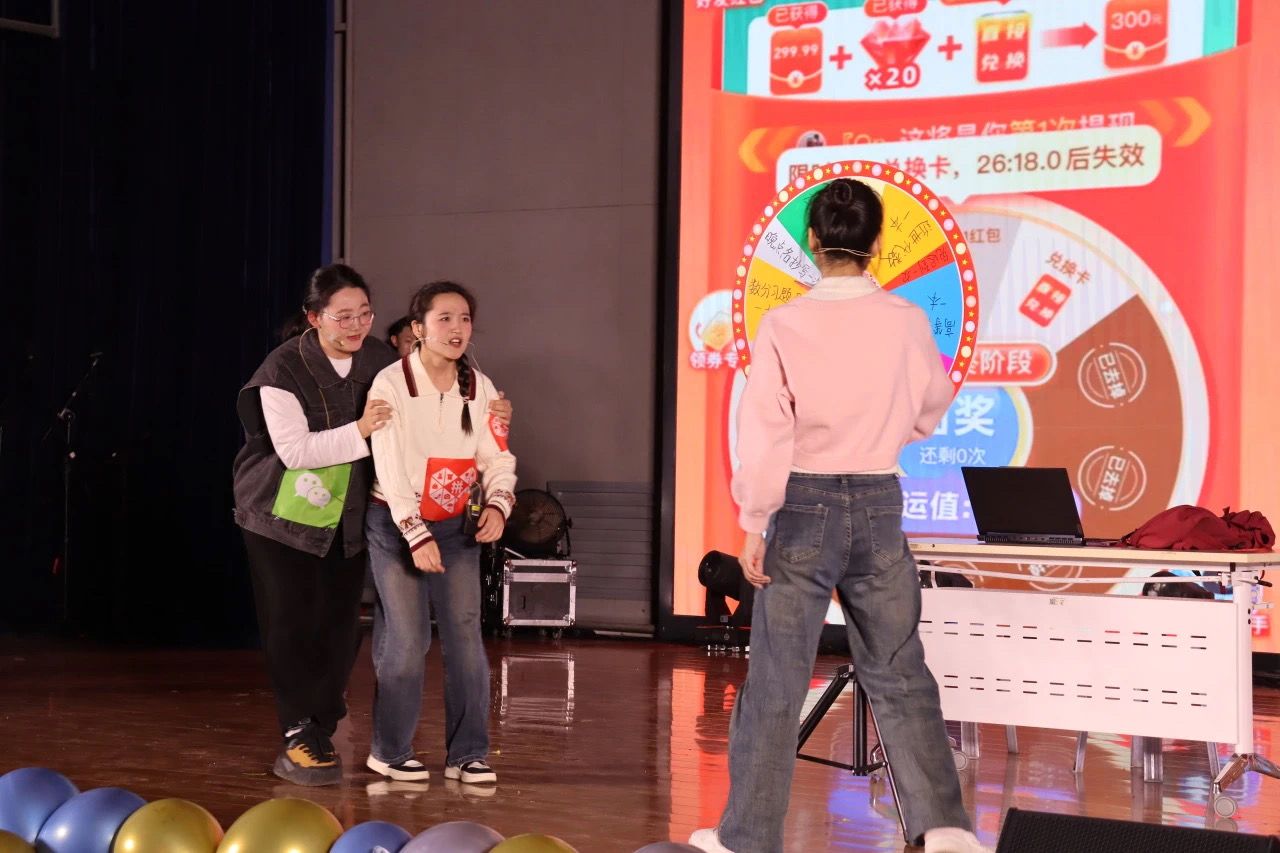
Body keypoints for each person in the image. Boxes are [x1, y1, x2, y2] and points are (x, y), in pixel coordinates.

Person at [690, 179, 991, 853]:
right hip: (880, 499)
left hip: (803, 504)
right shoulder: (906, 319)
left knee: (777, 677)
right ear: (877, 242)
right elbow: (931, 404)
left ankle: (747, 838)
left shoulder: (784, 323)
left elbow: (765, 431)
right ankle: (945, 830)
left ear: (812, 241)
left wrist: (754, 521)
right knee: (900, 671)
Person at [233, 265, 512, 787]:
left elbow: (434, 393)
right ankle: (300, 732)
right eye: (343, 316)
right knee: (293, 624)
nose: (356, 325)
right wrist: (361, 429)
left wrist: (489, 415)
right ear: (314, 318)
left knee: (341, 628)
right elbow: (294, 453)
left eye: (364, 314)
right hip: (281, 513)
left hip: (349, 513)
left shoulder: (380, 360)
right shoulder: (282, 369)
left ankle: (323, 724)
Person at [363, 280, 515, 787]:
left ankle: (468, 753)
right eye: (444, 318)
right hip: (396, 524)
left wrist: (498, 503)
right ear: (418, 328)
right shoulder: (390, 383)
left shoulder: (480, 386)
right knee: (408, 640)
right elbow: (389, 468)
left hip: (455, 527)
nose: (457, 328)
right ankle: (390, 751)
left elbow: (496, 456)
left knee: (466, 637)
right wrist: (415, 533)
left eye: (465, 319)